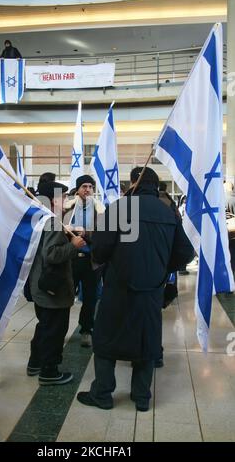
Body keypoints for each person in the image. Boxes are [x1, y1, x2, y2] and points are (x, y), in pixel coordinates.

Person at [77, 167, 194, 412]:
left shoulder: (119, 208)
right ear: (155, 185)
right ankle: (141, 397)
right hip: (152, 290)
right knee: (147, 339)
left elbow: (100, 249)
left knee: (106, 338)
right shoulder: (168, 212)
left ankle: (103, 394)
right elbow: (184, 253)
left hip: (118, 287)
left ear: (134, 182)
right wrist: (162, 267)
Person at [27, 181, 86, 385]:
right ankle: (49, 372)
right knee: (54, 330)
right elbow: (51, 254)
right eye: (64, 197)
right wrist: (73, 245)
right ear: (53, 200)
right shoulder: (52, 221)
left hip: (40, 286)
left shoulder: (42, 218)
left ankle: (35, 362)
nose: (67, 200)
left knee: (44, 326)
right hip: (52, 289)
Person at [64, 175, 105, 348]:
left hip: (91, 261)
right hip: (71, 260)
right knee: (65, 297)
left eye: (90, 186)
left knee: (90, 298)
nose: (87, 189)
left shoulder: (100, 210)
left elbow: (104, 235)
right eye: (84, 186)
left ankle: (86, 330)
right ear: (77, 189)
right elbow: (58, 231)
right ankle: (60, 330)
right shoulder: (67, 209)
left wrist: (86, 234)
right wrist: (69, 231)